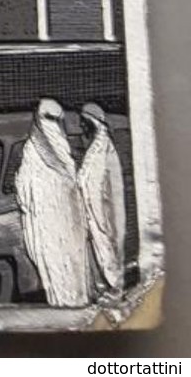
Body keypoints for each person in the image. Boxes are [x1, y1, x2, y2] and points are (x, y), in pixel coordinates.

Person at [15, 98, 93, 307]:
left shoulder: (64, 151)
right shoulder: (31, 152)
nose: (54, 125)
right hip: (45, 224)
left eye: (56, 119)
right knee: (56, 269)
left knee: (75, 267)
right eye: (48, 119)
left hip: (70, 223)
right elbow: (24, 192)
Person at [79, 102, 127, 300]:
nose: (81, 127)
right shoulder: (93, 150)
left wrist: (102, 219)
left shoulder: (105, 150)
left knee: (108, 251)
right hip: (91, 214)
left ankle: (116, 290)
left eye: (83, 122)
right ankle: (103, 289)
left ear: (92, 122)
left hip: (103, 215)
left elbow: (108, 189)